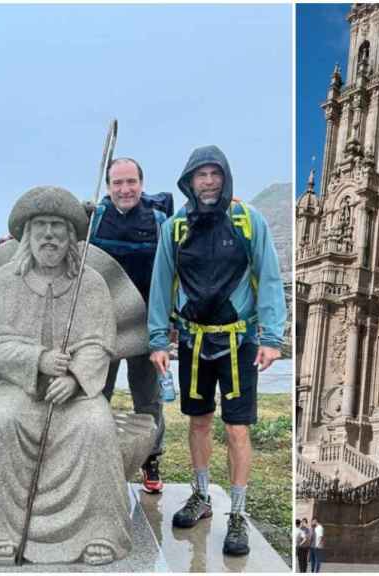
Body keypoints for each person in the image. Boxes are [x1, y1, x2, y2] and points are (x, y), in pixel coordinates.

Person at [0, 186, 134, 566]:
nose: (50, 235)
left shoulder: (91, 283)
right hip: (16, 387)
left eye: (58, 227)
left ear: (71, 237)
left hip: (75, 391)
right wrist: (36, 359)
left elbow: (100, 342)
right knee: (2, 422)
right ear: (28, 235)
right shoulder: (3, 283)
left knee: (96, 425)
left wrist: (75, 378)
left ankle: (98, 532)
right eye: (42, 227)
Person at [147, 145, 286, 556]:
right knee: (199, 422)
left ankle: (238, 512)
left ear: (225, 178)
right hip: (192, 340)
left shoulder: (248, 221)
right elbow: (161, 281)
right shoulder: (175, 227)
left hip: (238, 341)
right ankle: (202, 495)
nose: (208, 182)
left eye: (215, 174)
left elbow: (269, 274)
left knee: (236, 428)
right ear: (189, 181)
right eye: (200, 175)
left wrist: (272, 337)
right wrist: (159, 338)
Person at [89, 157, 169, 494]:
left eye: (131, 182)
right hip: (100, 326)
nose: (125, 189)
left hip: (145, 326)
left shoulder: (158, 220)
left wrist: (164, 329)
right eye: (118, 183)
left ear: (141, 184)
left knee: (147, 398)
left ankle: (151, 458)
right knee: (95, 395)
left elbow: (170, 270)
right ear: (108, 187)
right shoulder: (95, 219)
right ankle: (95, 458)